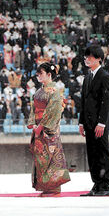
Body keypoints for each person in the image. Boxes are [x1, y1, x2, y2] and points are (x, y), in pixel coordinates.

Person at [27, 63, 70, 197]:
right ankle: (45, 186)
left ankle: (54, 187)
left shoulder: (55, 91)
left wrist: (41, 126)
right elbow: (34, 109)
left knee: (50, 157)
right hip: (38, 127)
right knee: (41, 157)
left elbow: (53, 111)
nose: (38, 76)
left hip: (48, 129)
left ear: (49, 75)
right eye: (38, 74)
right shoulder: (39, 91)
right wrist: (33, 124)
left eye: (41, 73)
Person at [79, 45, 109, 196]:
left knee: (102, 152)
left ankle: (105, 185)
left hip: (99, 123)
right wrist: (81, 122)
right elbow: (83, 102)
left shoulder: (105, 76)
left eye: (91, 57)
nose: (87, 59)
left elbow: (106, 102)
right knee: (92, 153)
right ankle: (96, 184)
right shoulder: (87, 78)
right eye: (86, 57)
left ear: (99, 58)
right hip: (88, 122)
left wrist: (102, 123)